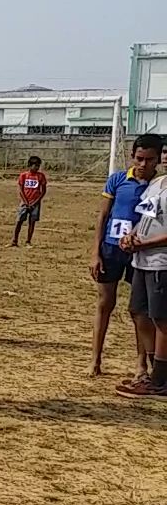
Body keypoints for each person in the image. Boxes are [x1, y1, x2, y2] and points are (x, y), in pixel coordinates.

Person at [91, 136, 161, 379]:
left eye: (149, 160)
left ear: (158, 160)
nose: (143, 164)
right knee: (104, 303)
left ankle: (141, 363)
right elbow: (102, 217)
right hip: (111, 250)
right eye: (139, 159)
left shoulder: (158, 186)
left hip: (139, 253)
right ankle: (95, 359)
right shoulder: (118, 180)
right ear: (132, 156)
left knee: (140, 311)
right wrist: (95, 252)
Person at [115, 163, 167, 399]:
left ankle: (160, 380)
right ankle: (154, 369)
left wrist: (146, 244)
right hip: (141, 261)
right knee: (138, 312)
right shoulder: (156, 184)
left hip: (161, 262)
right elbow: (145, 217)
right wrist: (131, 236)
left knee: (161, 319)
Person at [12, 156, 48, 247]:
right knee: (19, 221)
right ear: (30, 165)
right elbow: (21, 190)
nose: (37, 168)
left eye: (38, 166)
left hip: (35, 203)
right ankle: (14, 241)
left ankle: (28, 241)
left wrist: (35, 202)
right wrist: (26, 202)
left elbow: (43, 191)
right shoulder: (23, 175)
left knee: (32, 222)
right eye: (35, 165)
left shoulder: (41, 176)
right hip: (24, 203)